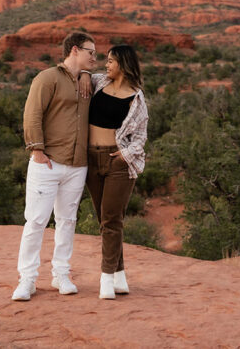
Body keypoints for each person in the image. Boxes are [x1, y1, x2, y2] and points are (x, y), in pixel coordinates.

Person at [11, 31, 97, 302]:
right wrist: (36, 149)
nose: (95, 57)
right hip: (46, 162)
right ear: (74, 50)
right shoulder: (47, 78)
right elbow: (32, 113)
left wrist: (84, 74)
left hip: (77, 164)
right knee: (36, 221)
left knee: (67, 221)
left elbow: (117, 81)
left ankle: (61, 274)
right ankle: (27, 279)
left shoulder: (91, 81)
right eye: (90, 52)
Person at [86, 44, 149, 299]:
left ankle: (106, 280)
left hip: (118, 162)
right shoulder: (98, 82)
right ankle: (120, 277)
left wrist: (126, 153)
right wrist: (81, 76)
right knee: (106, 220)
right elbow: (81, 75)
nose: (106, 64)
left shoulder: (136, 97)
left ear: (123, 64)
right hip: (91, 159)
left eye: (111, 61)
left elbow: (141, 136)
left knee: (111, 219)